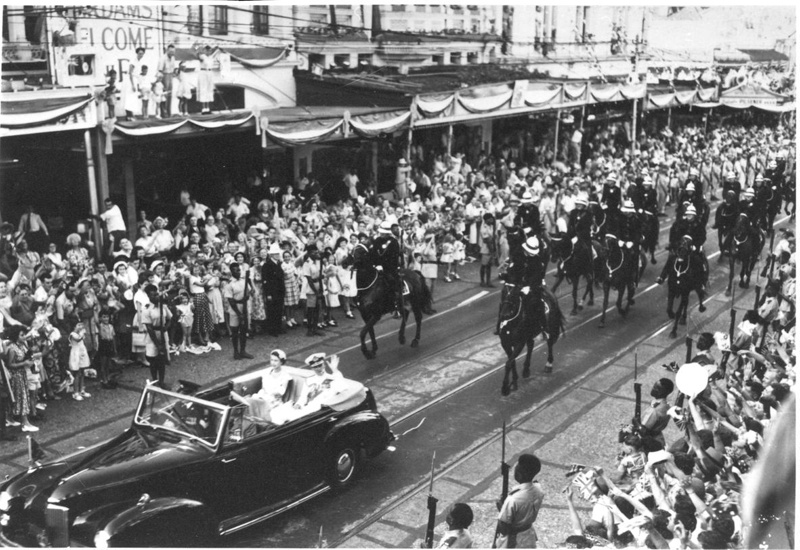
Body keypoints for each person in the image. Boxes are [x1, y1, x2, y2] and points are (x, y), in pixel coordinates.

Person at [494, 453, 545, 548]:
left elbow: (504, 527)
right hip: (529, 535)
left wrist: (501, 509)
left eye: (517, 468)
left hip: (514, 541)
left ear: (520, 474)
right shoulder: (539, 490)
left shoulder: (513, 499)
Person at [2, 325, 39, 432]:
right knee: (22, 396)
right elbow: (9, 364)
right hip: (16, 375)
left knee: (20, 396)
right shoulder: (12, 348)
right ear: (16, 336)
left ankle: (10, 417)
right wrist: (24, 363)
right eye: (21, 335)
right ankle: (25, 422)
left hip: (22, 374)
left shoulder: (22, 345)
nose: (24, 337)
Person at [142, 284, 172, 387]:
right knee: (153, 360)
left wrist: (166, 328)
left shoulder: (163, 306)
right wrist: (157, 344)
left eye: (156, 294)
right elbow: (149, 328)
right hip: (152, 336)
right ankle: (155, 381)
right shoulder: (146, 309)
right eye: (153, 295)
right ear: (148, 296)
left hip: (163, 333)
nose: (155, 297)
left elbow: (170, 318)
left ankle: (162, 381)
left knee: (162, 359)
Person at [371, 220, 403, 315]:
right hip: (377, 266)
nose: (381, 234)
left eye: (383, 233)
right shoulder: (377, 240)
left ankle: (395, 304)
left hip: (389, 267)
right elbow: (374, 253)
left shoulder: (393, 242)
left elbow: (394, 257)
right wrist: (376, 264)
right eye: (381, 232)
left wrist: (383, 266)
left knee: (391, 282)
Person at [225, 262, 253, 359]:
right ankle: (236, 352)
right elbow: (231, 301)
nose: (238, 272)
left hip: (244, 308)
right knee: (235, 331)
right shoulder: (229, 284)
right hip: (234, 310)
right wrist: (238, 313)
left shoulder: (243, 281)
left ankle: (243, 351)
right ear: (231, 272)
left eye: (239, 270)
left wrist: (247, 297)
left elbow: (249, 292)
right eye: (236, 270)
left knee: (244, 329)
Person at [261, 243, 286, 337]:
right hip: (272, 291)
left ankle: (278, 327)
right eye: (276, 254)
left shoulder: (278, 264)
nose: (278, 256)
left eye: (278, 254)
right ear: (271, 255)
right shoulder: (267, 265)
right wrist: (268, 294)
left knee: (279, 310)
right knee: (272, 311)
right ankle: (272, 329)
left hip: (279, 291)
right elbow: (265, 281)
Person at [479, 213, 498, 287]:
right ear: (486, 220)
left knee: (489, 266)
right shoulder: (484, 227)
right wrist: (492, 252)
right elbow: (487, 240)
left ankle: (488, 281)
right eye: (490, 219)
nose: (492, 220)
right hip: (486, 249)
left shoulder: (491, 225)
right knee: (484, 265)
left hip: (492, 247)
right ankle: (482, 281)